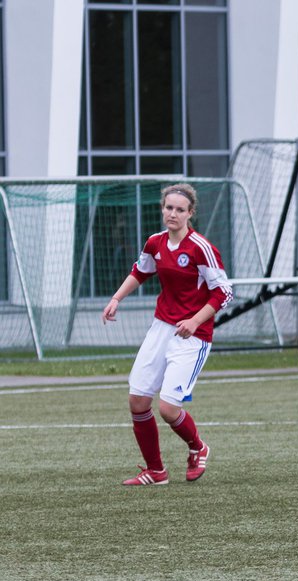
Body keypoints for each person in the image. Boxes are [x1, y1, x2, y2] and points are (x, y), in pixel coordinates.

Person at [101, 183, 232, 486]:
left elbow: (224, 293)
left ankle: (198, 448)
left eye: (180, 209)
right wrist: (116, 299)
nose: (173, 213)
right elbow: (140, 271)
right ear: (162, 209)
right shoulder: (155, 243)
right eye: (168, 208)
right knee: (137, 401)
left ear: (191, 214)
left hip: (193, 336)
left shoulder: (201, 248)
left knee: (169, 408)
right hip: (161, 328)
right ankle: (155, 471)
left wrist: (195, 321)